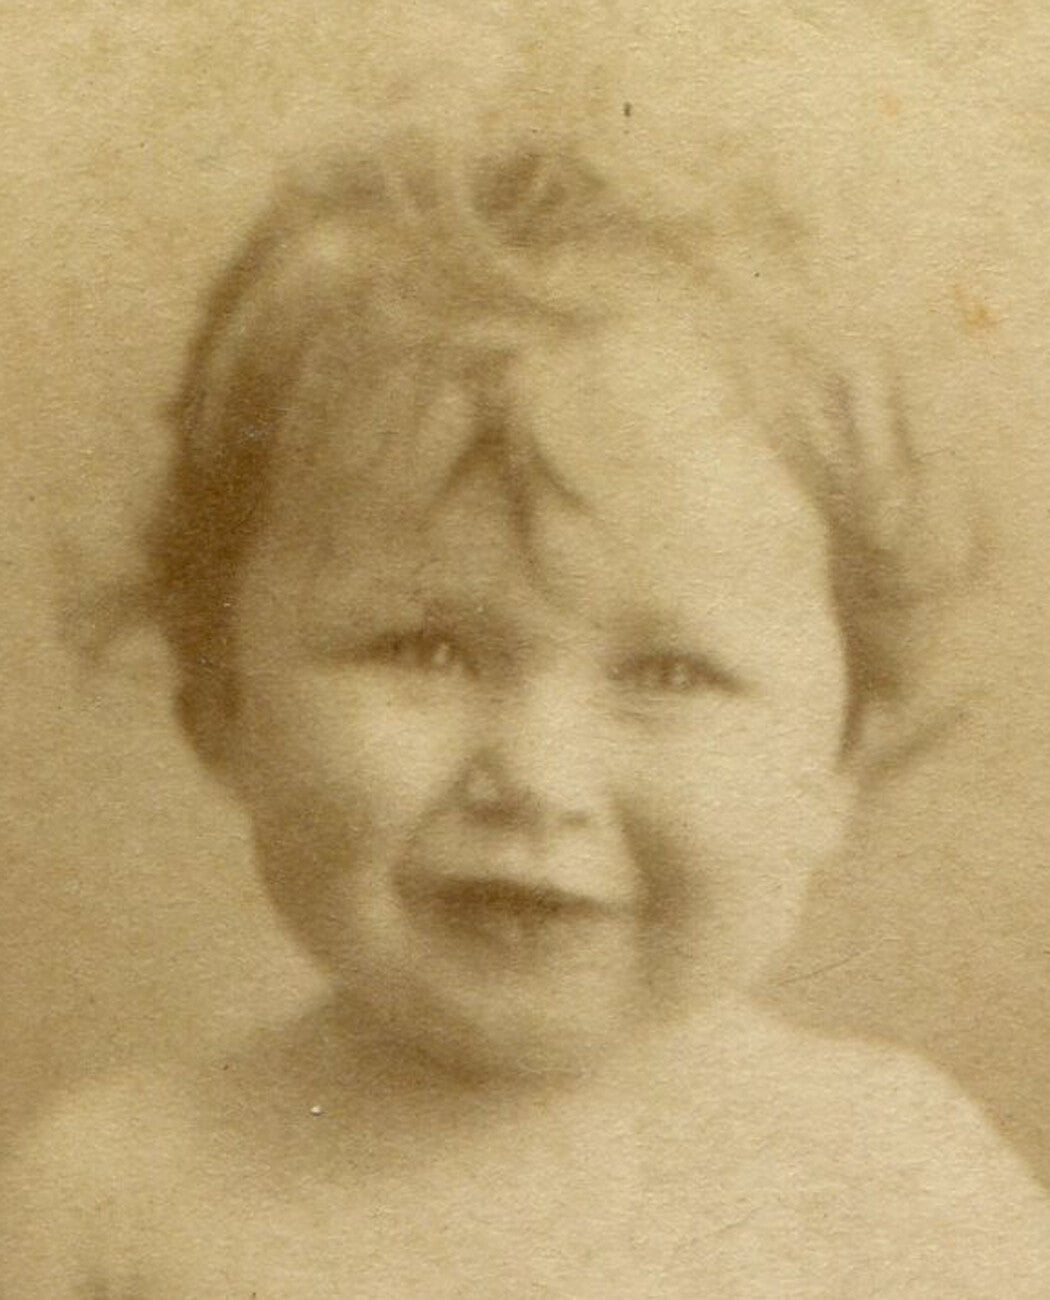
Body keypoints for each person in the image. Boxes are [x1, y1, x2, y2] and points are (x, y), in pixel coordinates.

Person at [3, 127, 1048, 1296]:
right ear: (221, 700)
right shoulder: (118, 1198)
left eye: (670, 673)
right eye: (426, 646)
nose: (537, 775)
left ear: (839, 758)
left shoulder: (896, 1181)